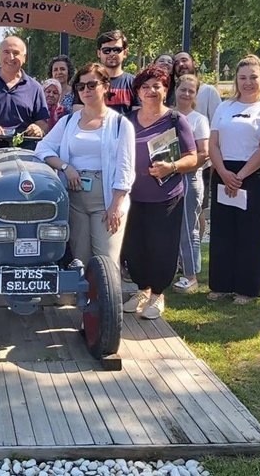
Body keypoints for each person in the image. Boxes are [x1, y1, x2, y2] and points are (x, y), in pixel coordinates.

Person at [35, 63, 135, 271]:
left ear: (105, 86)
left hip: (106, 198)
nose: (86, 91)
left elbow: (126, 169)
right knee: (80, 260)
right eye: (81, 87)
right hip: (75, 197)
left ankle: (106, 302)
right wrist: (65, 167)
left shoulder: (120, 124)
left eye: (91, 85)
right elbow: (42, 148)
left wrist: (116, 205)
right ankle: (85, 301)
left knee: (106, 260)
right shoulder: (69, 121)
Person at [120, 65, 198, 319]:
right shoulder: (128, 121)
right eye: (145, 87)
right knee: (134, 246)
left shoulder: (176, 120)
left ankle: (157, 295)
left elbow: (193, 157)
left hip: (165, 197)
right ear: (137, 92)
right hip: (133, 197)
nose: (151, 91)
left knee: (161, 247)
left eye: (157, 86)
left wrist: (171, 167)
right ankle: (142, 290)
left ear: (166, 90)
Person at [207, 55, 260, 305]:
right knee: (223, 230)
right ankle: (221, 284)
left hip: (253, 175)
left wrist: (240, 176)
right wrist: (224, 173)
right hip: (223, 172)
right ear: (236, 79)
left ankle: (247, 288)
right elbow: (213, 143)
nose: (248, 82)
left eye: (253, 77)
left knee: (249, 233)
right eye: (243, 77)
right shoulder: (224, 107)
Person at [172, 74, 210, 293]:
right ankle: (171, 269)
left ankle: (190, 275)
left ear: (195, 94)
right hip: (166, 177)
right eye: (182, 89)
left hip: (189, 177)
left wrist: (181, 167)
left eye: (191, 91)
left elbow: (204, 154)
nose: (186, 94)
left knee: (188, 227)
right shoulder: (167, 114)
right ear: (175, 90)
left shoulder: (198, 119)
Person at [0, 36, 49, 138]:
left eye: (16, 53)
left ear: (24, 58)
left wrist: (38, 129)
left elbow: (43, 123)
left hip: (24, 149)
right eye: (6, 52)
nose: (11, 57)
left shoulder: (35, 88)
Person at [96, 30, 139, 115]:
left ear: (125, 53)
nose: (112, 54)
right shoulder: (86, 82)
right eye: (106, 50)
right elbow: (80, 114)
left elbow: (138, 117)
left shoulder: (135, 83)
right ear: (99, 53)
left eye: (117, 50)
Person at [173, 52, 222, 123]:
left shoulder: (209, 91)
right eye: (176, 63)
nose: (180, 64)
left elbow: (218, 122)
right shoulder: (173, 93)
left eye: (184, 60)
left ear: (194, 63)